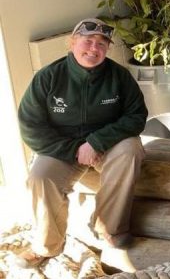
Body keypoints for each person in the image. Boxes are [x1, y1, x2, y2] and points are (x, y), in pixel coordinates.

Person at [16, 18, 148, 268]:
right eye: (87, 41)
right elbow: (30, 126)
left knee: (131, 149)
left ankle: (110, 228)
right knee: (40, 177)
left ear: (107, 48)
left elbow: (136, 116)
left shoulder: (119, 76)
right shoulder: (48, 77)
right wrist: (74, 150)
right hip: (62, 149)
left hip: (107, 145)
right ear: (72, 42)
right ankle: (46, 246)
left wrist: (97, 142)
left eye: (101, 43)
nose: (93, 48)